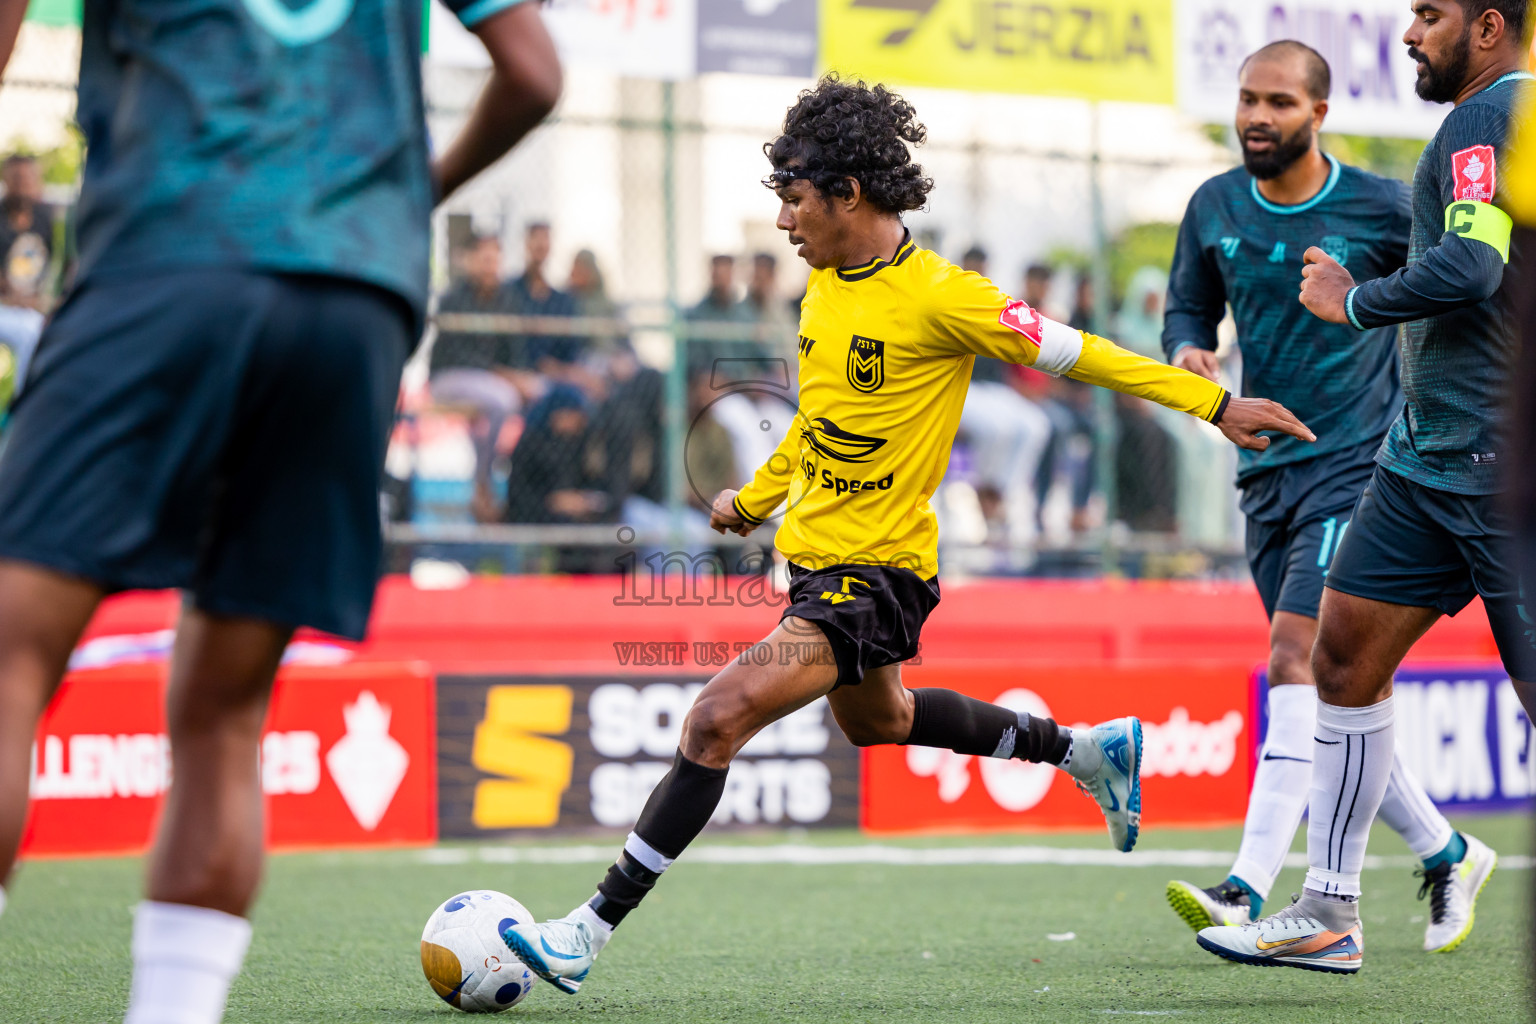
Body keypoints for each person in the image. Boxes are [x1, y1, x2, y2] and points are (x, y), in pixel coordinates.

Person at [499, 74, 1313, 997]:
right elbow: (820, 422)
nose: (782, 223)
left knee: (715, 718)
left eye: (794, 199)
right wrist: (756, 499)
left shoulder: (945, 298)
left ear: (848, 193)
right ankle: (1085, 750)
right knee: (881, 719)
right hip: (811, 561)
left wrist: (1212, 401)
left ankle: (584, 930)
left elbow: (1080, 351)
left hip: (877, 576)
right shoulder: (821, 287)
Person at [0, 2, 560, 1023]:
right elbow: (534, 72)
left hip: (167, 252)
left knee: (8, 657)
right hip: (355, 293)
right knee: (222, 715)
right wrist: (403, 199)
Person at [1198, 2, 1530, 974]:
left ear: (1489, 26)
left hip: (1493, 468)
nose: (1408, 33)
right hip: (1421, 462)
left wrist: (1357, 302)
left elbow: (1471, 266)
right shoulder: (1487, 125)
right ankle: (1330, 909)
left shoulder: (1491, 116)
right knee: (1339, 661)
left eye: (1429, 15)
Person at [953, 245, 1052, 549]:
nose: (978, 272)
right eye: (973, 266)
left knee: (1038, 424)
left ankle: (1004, 496)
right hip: (962, 388)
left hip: (995, 389)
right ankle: (987, 499)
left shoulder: (993, 301)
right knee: (998, 429)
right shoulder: (950, 300)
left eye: (982, 267)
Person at [431, 233, 525, 522]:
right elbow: (456, 355)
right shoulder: (455, 297)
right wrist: (501, 374)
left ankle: (511, 497)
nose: (490, 266)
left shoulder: (506, 300)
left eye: (495, 259)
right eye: (484, 259)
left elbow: (514, 353)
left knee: (524, 397)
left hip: (488, 384)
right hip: (449, 379)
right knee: (502, 399)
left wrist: (518, 376)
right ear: (472, 262)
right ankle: (482, 482)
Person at [508, 221, 579, 373]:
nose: (540, 245)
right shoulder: (511, 292)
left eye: (545, 239)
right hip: (523, 369)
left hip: (559, 369)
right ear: (526, 244)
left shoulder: (561, 299)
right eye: (535, 238)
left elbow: (570, 347)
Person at [0, 154, 51, 307]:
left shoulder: (46, 218)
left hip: (37, 304)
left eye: (29, 177)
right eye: (17, 178)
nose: (23, 184)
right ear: (6, 179)